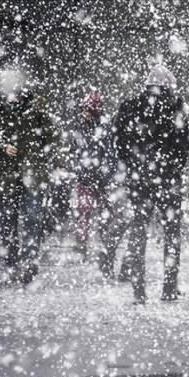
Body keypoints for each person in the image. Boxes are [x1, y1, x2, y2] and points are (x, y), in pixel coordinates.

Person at [100, 64, 189, 304]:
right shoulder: (175, 108)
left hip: (139, 179)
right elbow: (183, 147)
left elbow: (118, 141)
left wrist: (132, 166)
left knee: (139, 230)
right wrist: (169, 167)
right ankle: (169, 287)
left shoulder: (130, 107)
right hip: (167, 180)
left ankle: (139, 290)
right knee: (171, 233)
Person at [0, 68, 62, 284]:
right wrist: (1, 145)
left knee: (30, 218)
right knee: (9, 219)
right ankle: (14, 260)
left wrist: (39, 155)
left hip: (29, 172)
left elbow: (53, 135)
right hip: (8, 173)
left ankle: (27, 261)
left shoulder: (35, 106)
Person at [70, 91, 113, 258]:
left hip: (99, 178)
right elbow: (75, 151)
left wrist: (104, 177)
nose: (84, 113)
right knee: (84, 211)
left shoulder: (103, 128)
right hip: (87, 177)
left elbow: (110, 155)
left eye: (87, 110)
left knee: (105, 212)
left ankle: (101, 239)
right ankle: (83, 243)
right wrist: (80, 171)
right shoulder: (82, 127)